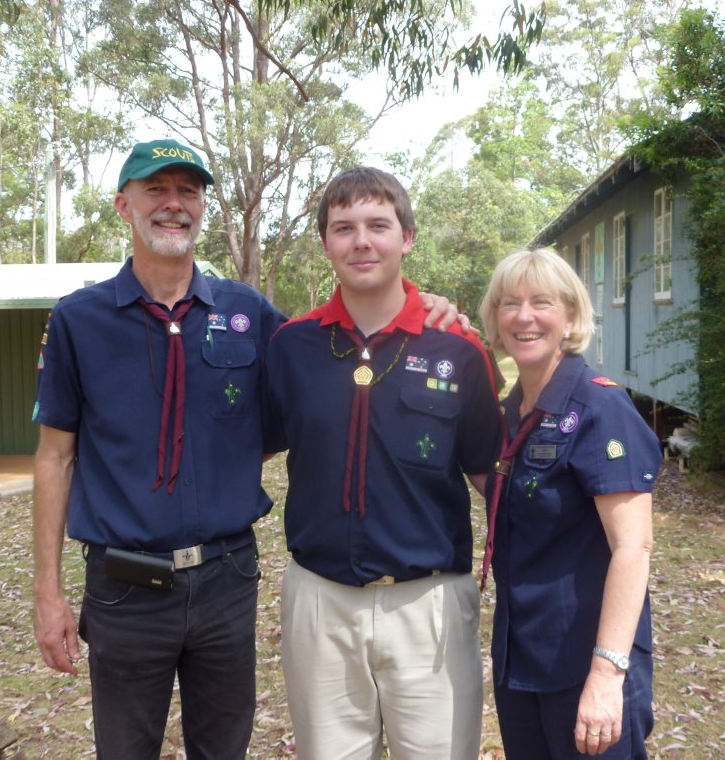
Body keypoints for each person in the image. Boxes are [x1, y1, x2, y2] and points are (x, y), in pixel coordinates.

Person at [31, 141, 461, 759]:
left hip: (226, 579)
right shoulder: (79, 320)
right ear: (124, 205)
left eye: (189, 191)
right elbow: (54, 458)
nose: (174, 204)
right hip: (124, 584)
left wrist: (427, 310)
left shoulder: (248, 314)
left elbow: (339, 358)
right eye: (157, 189)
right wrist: (48, 594)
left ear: (203, 207)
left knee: (224, 749)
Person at [264, 167, 503, 760]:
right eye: (344, 228)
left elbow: (488, 474)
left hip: (430, 605)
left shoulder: (458, 349)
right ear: (326, 243)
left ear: (408, 238)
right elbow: (249, 444)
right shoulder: (291, 345)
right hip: (320, 603)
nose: (361, 241)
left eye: (378, 225)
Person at [478, 248, 661, 760]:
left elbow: (634, 548)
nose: (524, 316)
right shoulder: (513, 411)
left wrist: (605, 676)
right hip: (521, 654)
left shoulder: (600, 408)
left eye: (542, 302)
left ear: (571, 316)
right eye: (509, 303)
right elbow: (515, 494)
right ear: (495, 318)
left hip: (584, 661)